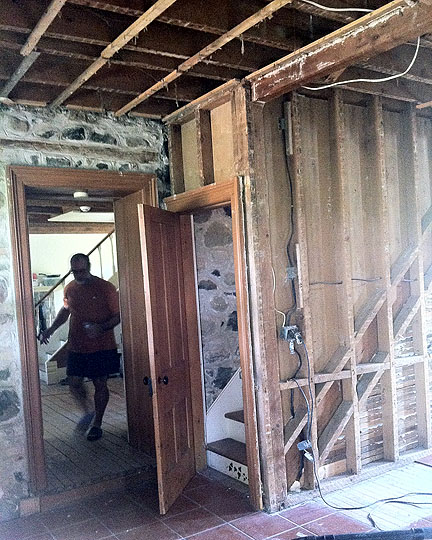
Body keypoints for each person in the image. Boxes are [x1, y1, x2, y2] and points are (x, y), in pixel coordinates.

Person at [39, 253, 121, 441]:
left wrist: (100, 327)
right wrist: (50, 329)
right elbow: (66, 310)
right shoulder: (70, 288)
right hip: (77, 346)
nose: (78, 275)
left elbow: (118, 316)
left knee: (100, 383)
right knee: (74, 383)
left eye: (81, 271)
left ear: (89, 267)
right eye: (74, 271)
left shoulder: (106, 288)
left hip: (101, 346)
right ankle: (88, 412)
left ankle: (97, 424)